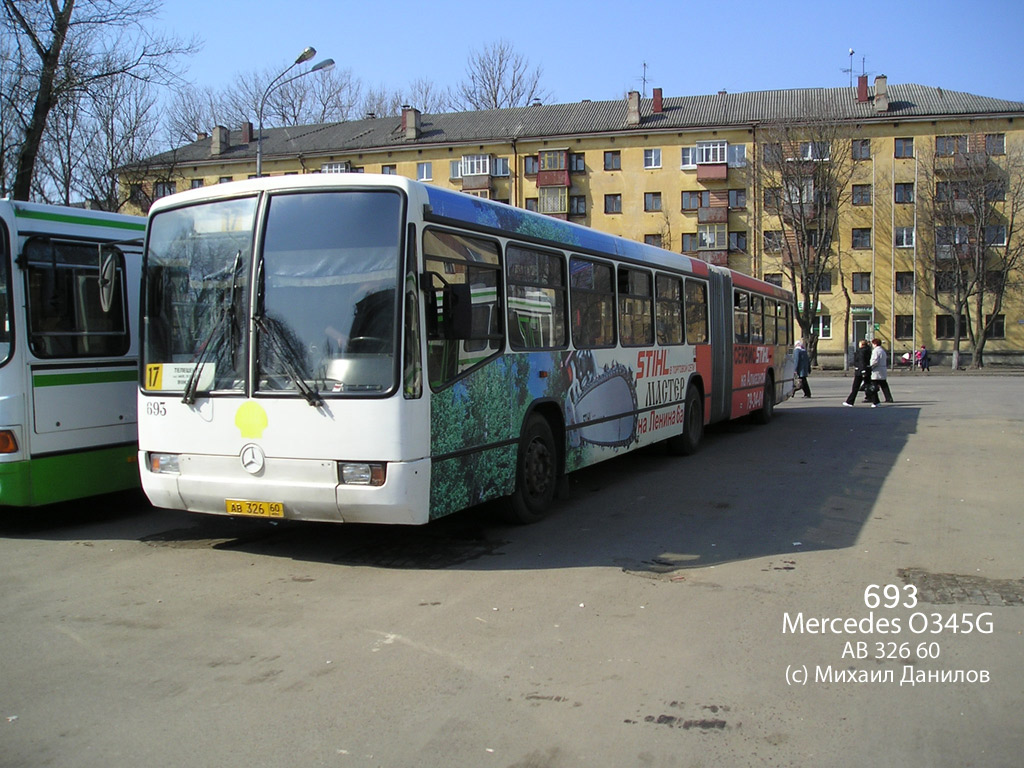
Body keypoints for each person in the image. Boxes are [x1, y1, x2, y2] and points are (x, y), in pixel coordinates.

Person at [867, 338, 894, 406]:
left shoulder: (876, 351)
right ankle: (888, 397)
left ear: (875, 344)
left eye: (873, 344)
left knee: (873, 385)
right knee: (884, 384)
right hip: (882, 369)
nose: (872, 345)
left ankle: (871, 398)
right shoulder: (882, 350)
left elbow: (874, 360)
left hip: (877, 370)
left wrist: (870, 366)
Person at [844, 339, 871, 406]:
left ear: (862, 344)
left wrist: (862, 370)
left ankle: (850, 401)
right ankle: (876, 401)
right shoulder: (867, 350)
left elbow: (862, 361)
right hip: (865, 370)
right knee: (868, 386)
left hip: (860, 371)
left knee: (855, 387)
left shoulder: (861, 351)